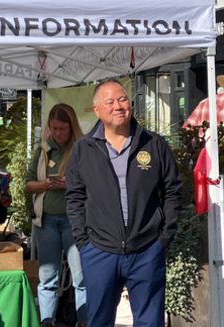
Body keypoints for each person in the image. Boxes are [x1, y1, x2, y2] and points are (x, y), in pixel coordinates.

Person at [66, 78, 183, 327]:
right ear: (97, 110)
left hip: (147, 249)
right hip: (99, 251)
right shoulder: (83, 148)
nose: (118, 106)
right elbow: (75, 197)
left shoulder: (153, 144)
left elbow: (173, 191)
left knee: (151, 322)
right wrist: (84, 242)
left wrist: (162, 239)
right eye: (110, 102)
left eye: (122, 99)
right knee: (99, 322)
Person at [26, 104, 87, 327]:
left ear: (72, 127)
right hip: (46, 221)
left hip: (75, 221)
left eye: (62, 129)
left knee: (81, 277)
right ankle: (47, 321)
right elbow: (28, 185)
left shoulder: (83, 148)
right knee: (47, 276)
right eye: (54, 129)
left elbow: (96, 184)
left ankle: (84, 321)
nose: (58, 133)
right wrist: (45, 184)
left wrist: (70, 184)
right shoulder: (43, 149)